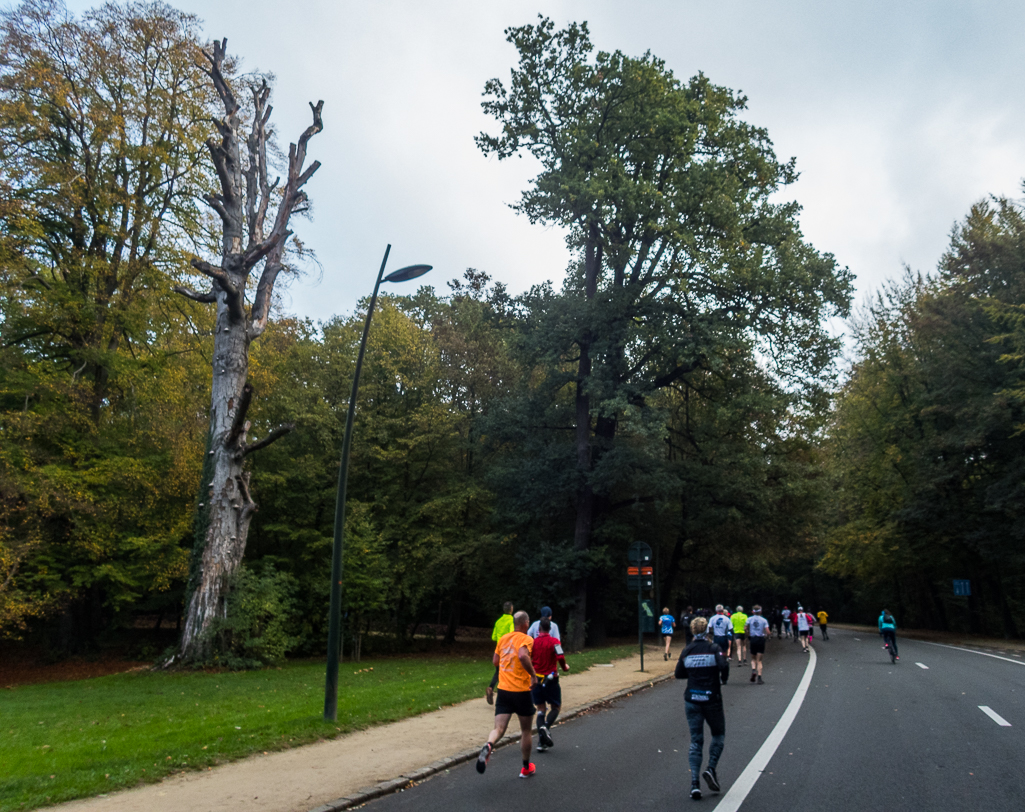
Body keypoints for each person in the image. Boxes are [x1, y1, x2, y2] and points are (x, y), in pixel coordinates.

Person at [477, 611, 540, 778]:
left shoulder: (504, 638)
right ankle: (526, 768)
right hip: (521, 691)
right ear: (526, 623)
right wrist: (533, 675)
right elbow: (522, 655)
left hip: (504, 690)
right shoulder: (527, 639)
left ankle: (488, 745)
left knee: (498, 729)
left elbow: (495, 662)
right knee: (526, 730)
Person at [676, 616, 730, 800]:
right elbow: (724, 665)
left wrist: (694, 673)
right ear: (707, 631)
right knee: (718, 735)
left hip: (692, 699)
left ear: (692, 631)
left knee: (696, 740)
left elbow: (678, 673)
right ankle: (711, 768)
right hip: (711, 699)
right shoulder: (714, 648)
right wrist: (723, 679)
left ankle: (694, 784)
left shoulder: (687, 650)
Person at [530, 617, 569, 751]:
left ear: (539, 628)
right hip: (551, 679)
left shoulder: (533, 643)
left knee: (541, 710)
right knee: (556, 706)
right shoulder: (554, 642)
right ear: (550, 629)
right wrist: (564, 667)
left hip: (537, 680)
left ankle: (541, 743)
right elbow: (560, 657)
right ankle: (545, 728)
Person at [486, 601, 515, 705]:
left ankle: (490, 687)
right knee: (509, 672)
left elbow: (493, 637)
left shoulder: (498, 621)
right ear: (511, 609)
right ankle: (506, 695)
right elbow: (512, 634)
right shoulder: (512, 621)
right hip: (508, 650)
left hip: (498, 649)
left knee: (498, 671)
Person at [745, 606, 770, 684]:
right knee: (759, 660)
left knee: (753, 658)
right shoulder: (764, 620)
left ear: (753, 611)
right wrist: (767, 636)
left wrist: (748, 635)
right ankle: (759, 678)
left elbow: (745, 628)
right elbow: (768, 632)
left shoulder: (749, 619)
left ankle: (753, 670)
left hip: (753, 639)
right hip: (760, 639)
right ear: (760, 612)